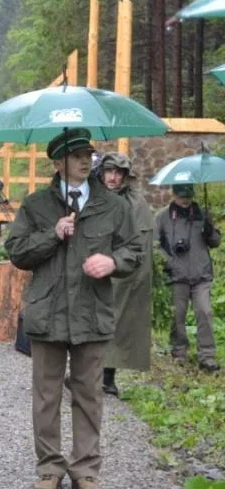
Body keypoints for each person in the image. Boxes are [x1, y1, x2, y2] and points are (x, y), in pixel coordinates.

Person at [6, 128, 142, 489]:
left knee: (89, 394)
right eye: (77, 154)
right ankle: (49, 467)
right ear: (58, 163)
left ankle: (86, 468)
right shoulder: (36, 205)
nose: (86, 160)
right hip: (47, 313)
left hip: (91, 313)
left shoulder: (114, 206)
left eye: (89, 154)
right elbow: (16, 251)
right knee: (46, 395)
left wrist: (112, 261)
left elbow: (134, 251)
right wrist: (52, 234)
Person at [99, 153, 155, 395]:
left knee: (118, 324)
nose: (113, 177)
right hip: (91, 270)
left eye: (118, 172)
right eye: (109, 171)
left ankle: (107, 376)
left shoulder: (136, 202)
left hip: (123, 273)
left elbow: (142, 242)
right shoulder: (91, 196)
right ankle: (83, 374)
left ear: (125, 176)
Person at [157, 183, 221, 372]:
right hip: (176, 277)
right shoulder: (162, 216)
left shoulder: (201, 213)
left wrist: (211, 232)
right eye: (181, 196)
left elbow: (215, 242)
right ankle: (179, 354)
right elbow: (154, 245)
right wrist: (170, 262)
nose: (185, 200)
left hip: (201, 275)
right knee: (177, 317)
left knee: (205, 313)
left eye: (188, 196)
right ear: (174, 194)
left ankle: (207, 357)